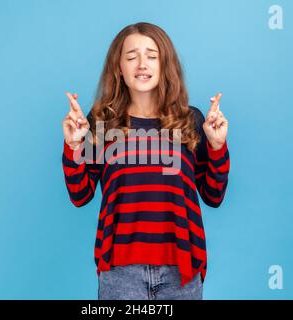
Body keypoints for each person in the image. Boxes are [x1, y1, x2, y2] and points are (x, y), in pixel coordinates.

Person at [61, 22, 230, 300]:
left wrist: (216, 145)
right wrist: (74, 144)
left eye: (152, 56)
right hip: (120, 273)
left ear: (165, 64)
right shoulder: (102, 122)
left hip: (182, 271)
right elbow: (80, 194)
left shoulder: (191, 121)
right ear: (119, 67)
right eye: (131, 57)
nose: (142, 64)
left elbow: (213, 195)